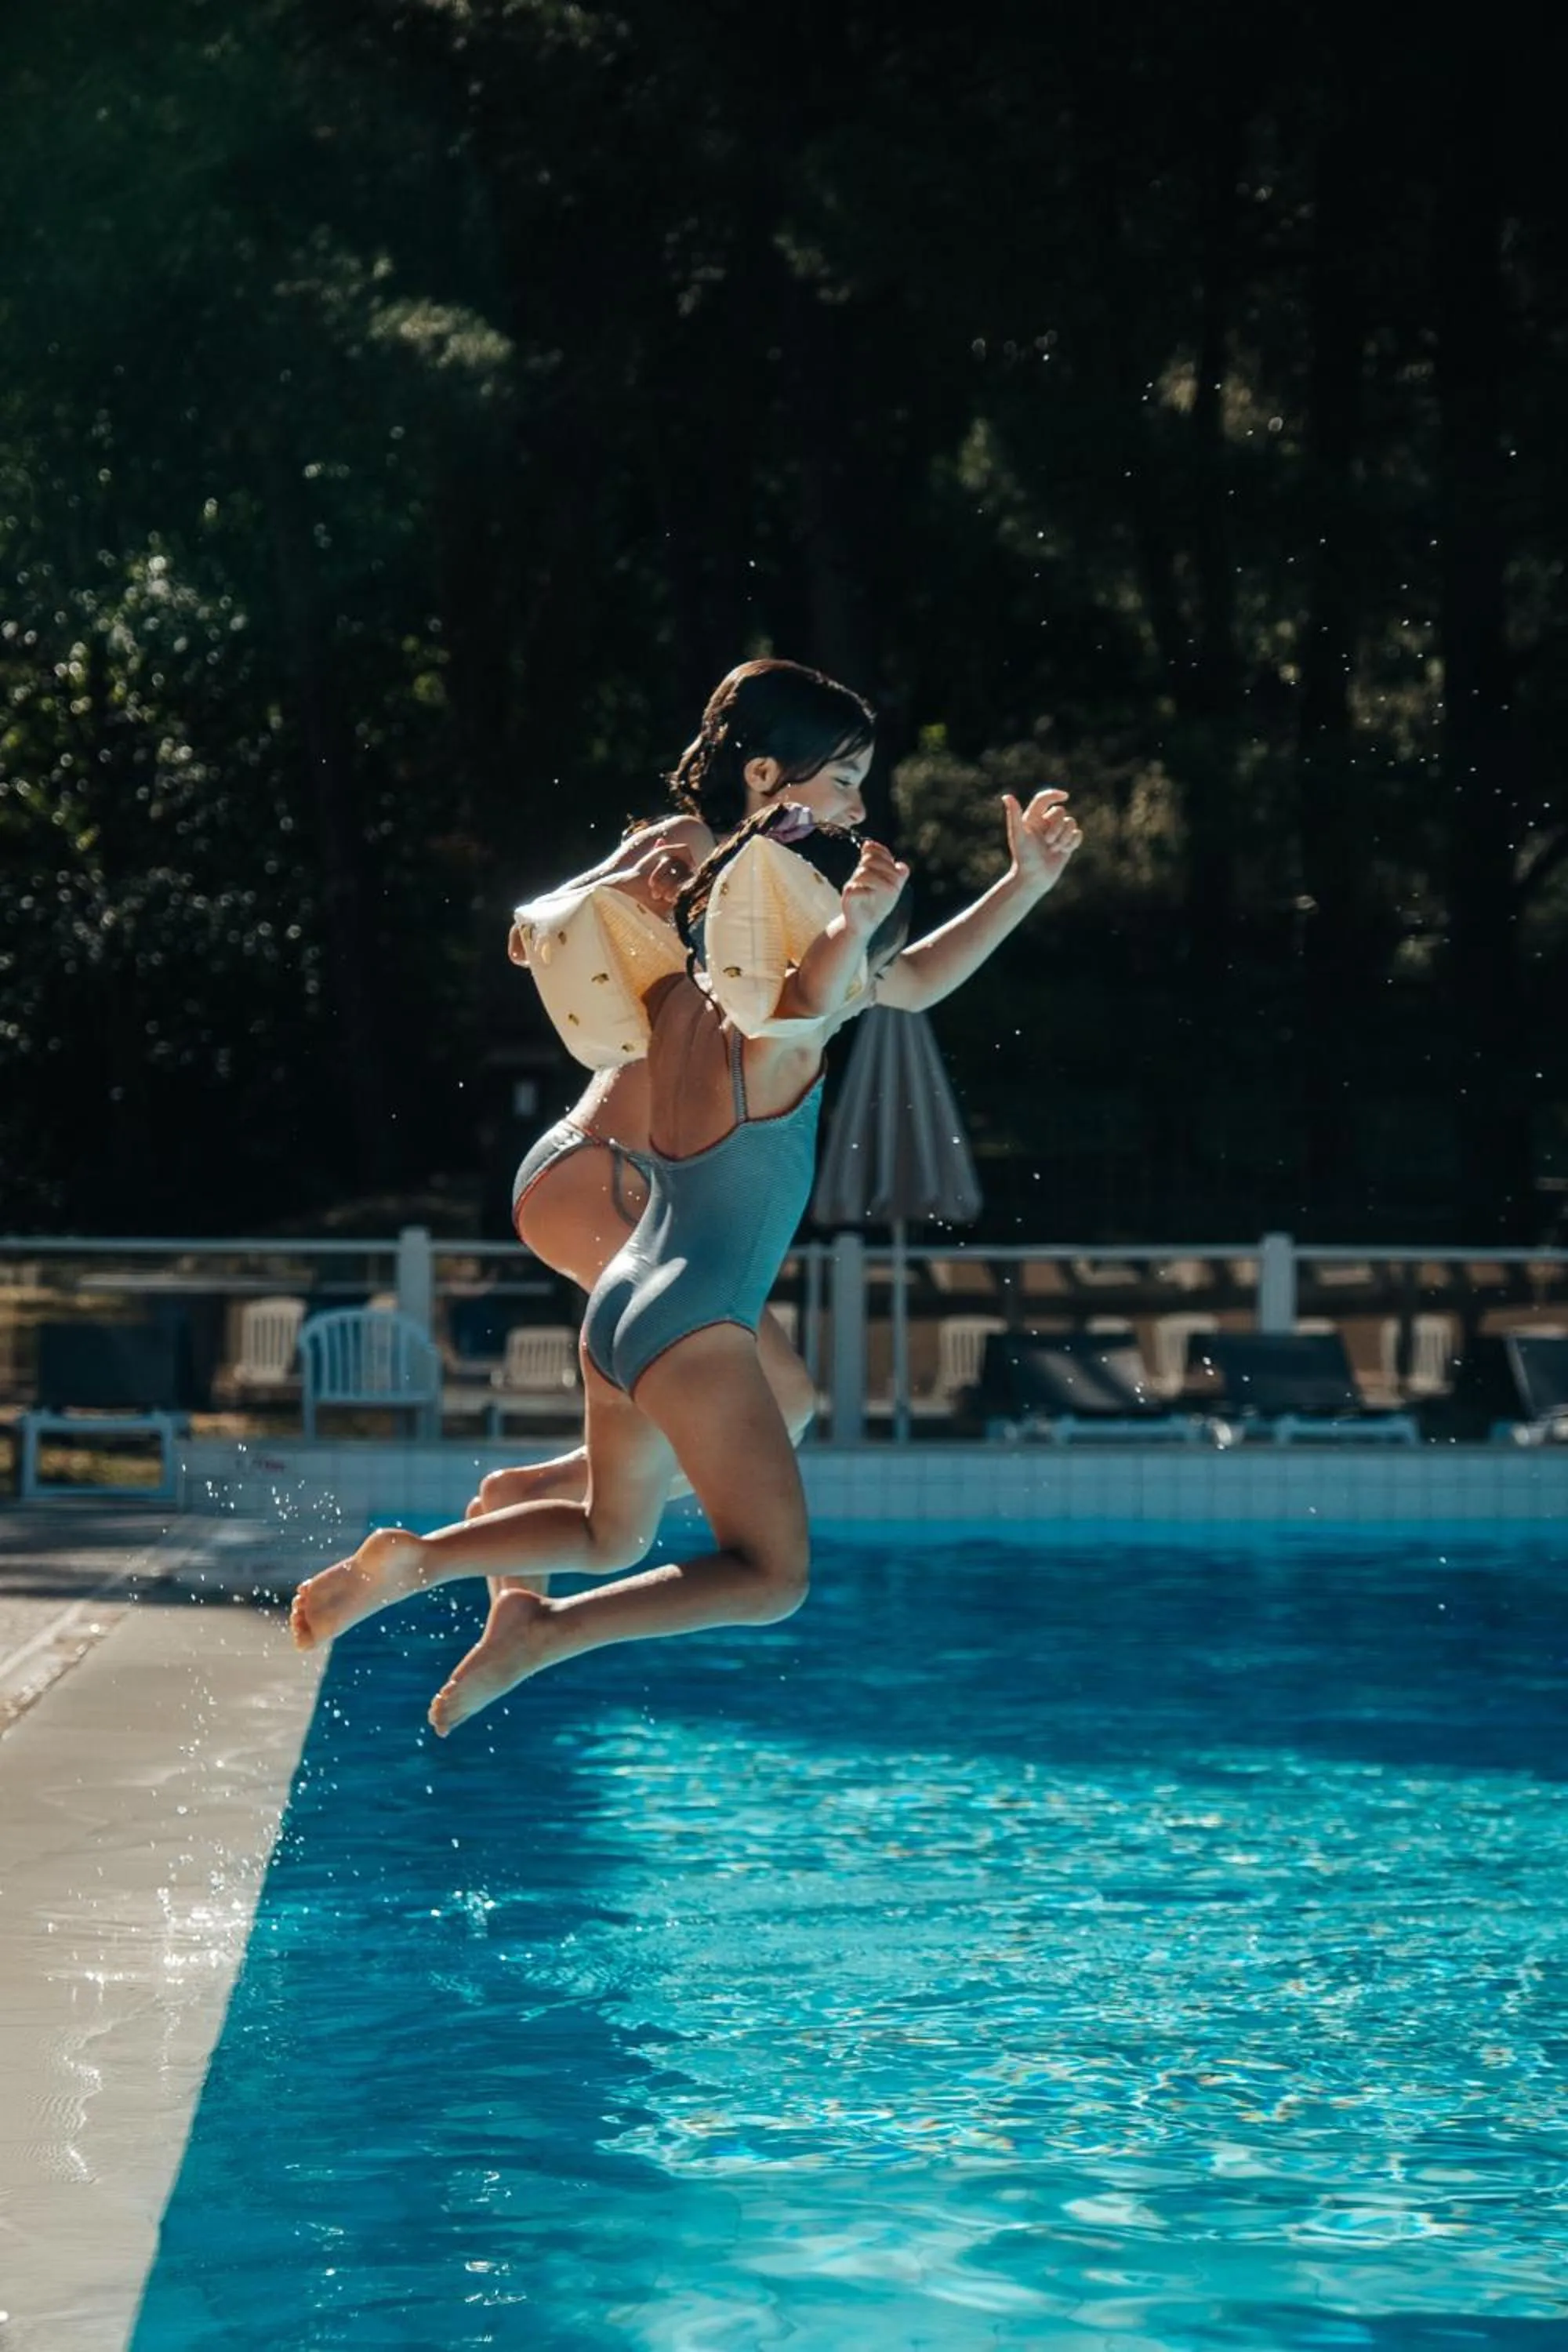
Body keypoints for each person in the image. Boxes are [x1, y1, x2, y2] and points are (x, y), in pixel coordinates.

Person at [289, 786, 1082, 1732]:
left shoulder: (674, 1010)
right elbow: (824, 987)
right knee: (771, 1576)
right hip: (693, 1322)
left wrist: (1007, 886)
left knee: (607, 1532)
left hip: (622, 1311)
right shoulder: (782, 1044)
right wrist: (857, 919)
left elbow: (827, 980)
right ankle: (534, 1629)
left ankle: (419, 1559)